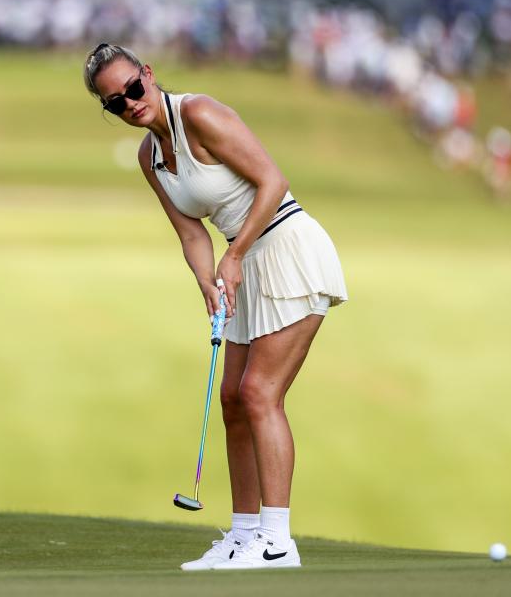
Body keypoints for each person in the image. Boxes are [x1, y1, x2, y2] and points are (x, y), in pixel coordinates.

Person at [83, 44, 348, 570]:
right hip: (242, 263)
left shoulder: (199, 113)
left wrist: (235, 254)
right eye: (115, 103)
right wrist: (209, 282)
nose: (131, 104)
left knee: (259, 392)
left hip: (286, 248)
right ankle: (244, 536)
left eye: (133, 88)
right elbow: (189, 231)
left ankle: (277, 541)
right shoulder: (149, 157)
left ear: (149, 74)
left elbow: (273, 181)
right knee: (231, 399)